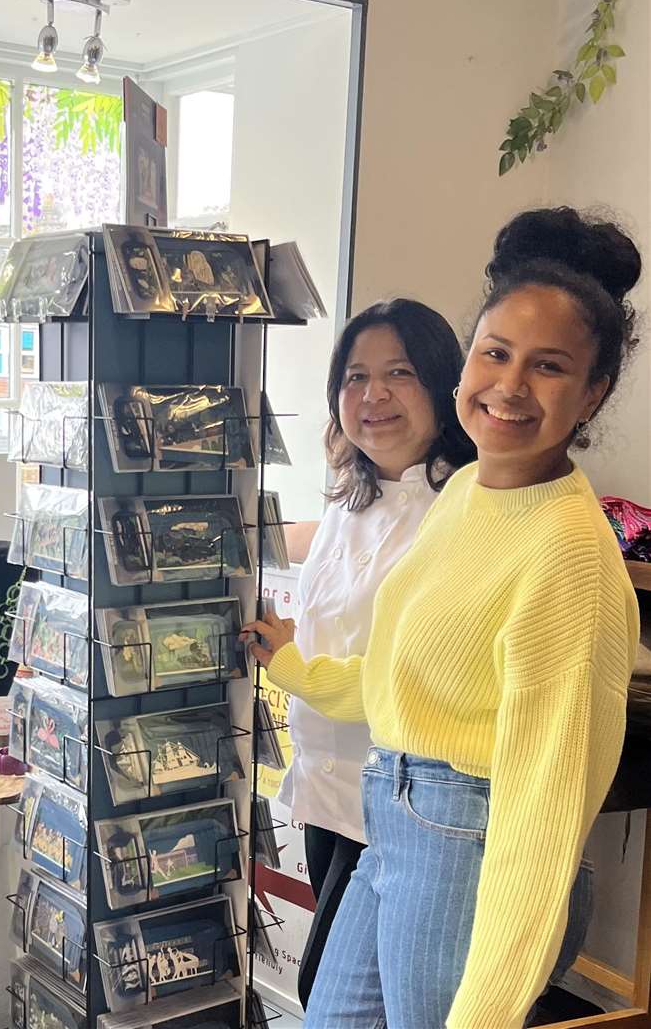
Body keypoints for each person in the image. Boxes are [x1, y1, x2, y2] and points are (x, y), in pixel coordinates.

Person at [246, 207, 641, 1028]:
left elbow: (547, 805)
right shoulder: (463, 494)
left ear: (593, 392)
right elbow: (406, 673)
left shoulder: (569, 549)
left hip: (469, 841)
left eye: (550, 367)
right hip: (391, 813)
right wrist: (293, 670)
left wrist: (491, 1006)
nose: (509, 385)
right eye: (495, 353)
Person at [283, 298, 475, 1011]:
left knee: (345, 996)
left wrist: (286, 665)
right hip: (327, 781)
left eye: (399, 373)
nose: (374, 395)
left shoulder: (460, 505)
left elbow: (408, 674)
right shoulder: (352, 493)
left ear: (443, 385)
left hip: (402, 798)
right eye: (356, 376)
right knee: (339, 985)